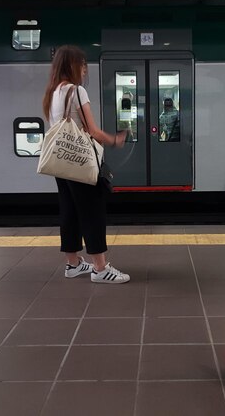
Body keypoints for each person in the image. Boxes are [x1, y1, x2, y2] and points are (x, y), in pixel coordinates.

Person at [42, 45, 130, 284]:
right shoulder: (76, 91)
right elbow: (92, 130)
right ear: (73, 66)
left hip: (61, 163)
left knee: (69, 211)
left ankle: (73, 264)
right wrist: (115, 140)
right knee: (92, 212)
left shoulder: (53, 92)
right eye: (82, 65)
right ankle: (100, 269)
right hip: (80, 163)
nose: (84, 70)